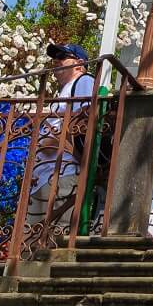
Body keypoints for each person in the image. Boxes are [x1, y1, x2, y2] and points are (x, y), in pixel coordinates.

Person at [29, 42, 96, 229]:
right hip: (45, 177)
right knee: (30, 245)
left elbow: (82, 121)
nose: (56, 61)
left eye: (62, 56)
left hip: (63, 174)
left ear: (79, 63)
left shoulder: (84, 81)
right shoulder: (65, 91)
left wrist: (50, 142)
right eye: (54, 57)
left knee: (56, 240)